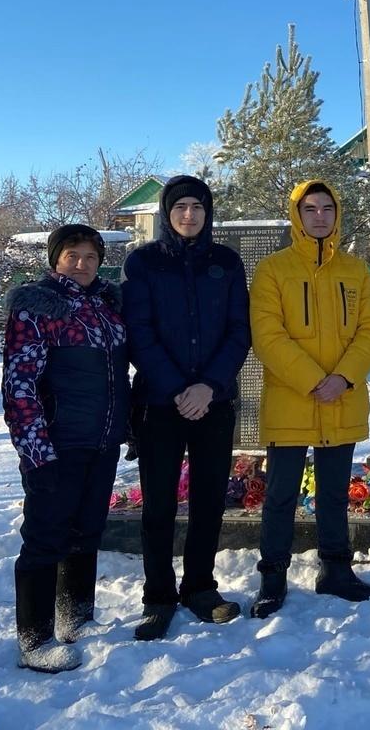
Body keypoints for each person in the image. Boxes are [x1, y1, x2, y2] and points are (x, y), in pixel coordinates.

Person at [121, 175, 251, 641]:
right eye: (180, 207)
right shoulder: (143, 262)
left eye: (198, 206)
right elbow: (139, 332)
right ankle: (158, 596)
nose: (189, 215)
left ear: (208, 212)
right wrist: (179, 387)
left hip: (213, 403)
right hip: (161, 402)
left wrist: (209, 387)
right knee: (158, 505)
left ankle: (200, 586)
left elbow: (240, 330)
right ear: (166, 212)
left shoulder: (226, 262)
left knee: (209, 500)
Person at [248, 180, 370, 617]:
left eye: (328, 208)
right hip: (292, 400)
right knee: (281, 494)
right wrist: (312, 380)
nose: (320, 216)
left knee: (334, 494)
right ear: (297, 215)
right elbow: (268, 335)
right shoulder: (273, 270)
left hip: (340, 400)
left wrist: (342, 378)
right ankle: (272, 577)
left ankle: (336, 570)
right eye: (310, 209)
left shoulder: (355, 270)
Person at [3, 225, 129, 673]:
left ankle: (75, 616)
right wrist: (35, 449)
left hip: (103, 439)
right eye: (72, 256)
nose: (82, 264)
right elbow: (20, 384)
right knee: (44, 538)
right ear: (55, 259)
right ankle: (34, 638)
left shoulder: (107, 308)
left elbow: (117, 378)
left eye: (90, 257)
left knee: (87, 529)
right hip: (56, 444)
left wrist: (125, 427)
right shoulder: (37, 307)